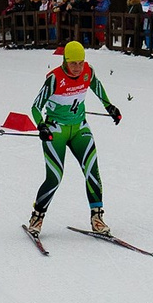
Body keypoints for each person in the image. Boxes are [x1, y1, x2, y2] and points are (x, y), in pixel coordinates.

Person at [25, 40, 121, 237]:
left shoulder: (88, 71)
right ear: (65, 61)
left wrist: (109, 107)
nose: (78, 68)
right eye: (73, 63)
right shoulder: (54, 79)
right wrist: (41, 126)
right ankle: (37, 217)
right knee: (55, 178)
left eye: (81, 62)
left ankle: (97, 218)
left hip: (79, 129)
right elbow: (35, 107)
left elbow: (97, 86)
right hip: (55, 131)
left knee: (92, 170)